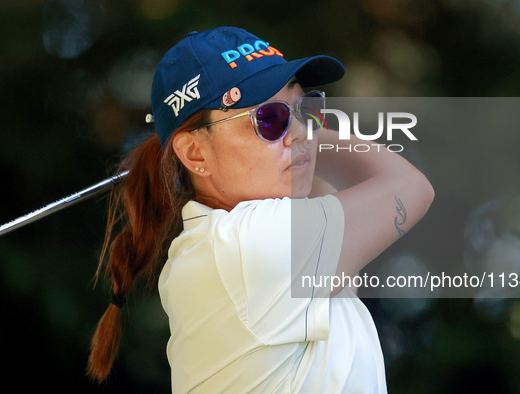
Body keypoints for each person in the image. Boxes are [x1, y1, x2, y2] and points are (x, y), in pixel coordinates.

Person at [87, 26, 434, 393]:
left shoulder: (235, 238)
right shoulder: (245, 245)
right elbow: (411, 188)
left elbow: (335, 189)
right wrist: (306, 131)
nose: (299, 130)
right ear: (195, 153)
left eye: (307, 107)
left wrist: (298, 129)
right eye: (268, 119)